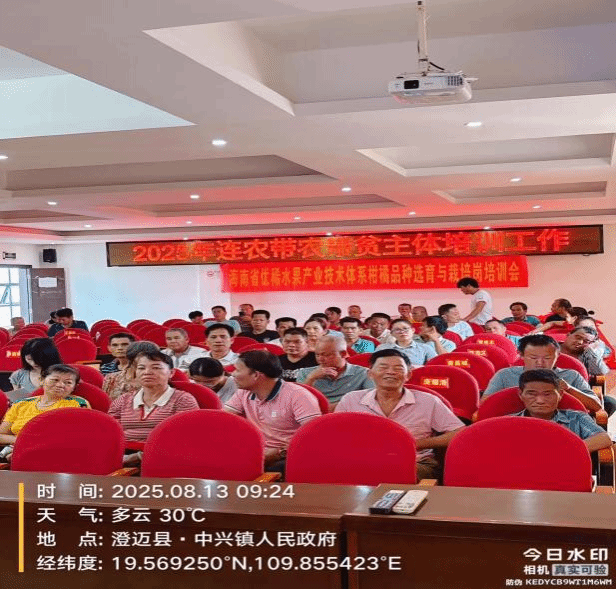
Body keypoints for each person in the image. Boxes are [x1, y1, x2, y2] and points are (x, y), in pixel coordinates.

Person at [335, 349, 464, 479]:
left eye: (398, 368)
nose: (390, 372)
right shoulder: (351, 400)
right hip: (362, 460)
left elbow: (459, 432)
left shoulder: (428, 401)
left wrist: (417, 443)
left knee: (388, 472)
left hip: (415, 462)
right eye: (383, 367)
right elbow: (334, 433)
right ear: (370, 374)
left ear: (408, 375)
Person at [225, 350, 321, 472]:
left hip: (288, 455)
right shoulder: (243, 392)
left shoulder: (299, 396)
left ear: (256, 375)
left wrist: (281, 452)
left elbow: (313, 437)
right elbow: (223, 420)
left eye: (238, 370)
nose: (233, 374)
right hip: (255, 452)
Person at [482, 335, 602, 412]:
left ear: (557, 356)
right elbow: (485, 406)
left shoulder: (571, 375)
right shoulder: (505, 375)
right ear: (522, 356)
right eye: (533, 358)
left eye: (547, 358)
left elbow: (597, 407)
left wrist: (569, 389)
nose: (540, 363)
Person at [108, 351, 198, 453]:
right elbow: (111, 433)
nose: (147, 372)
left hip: (164, 454)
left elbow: (182, 438)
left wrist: (138, 457)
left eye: (156, 368)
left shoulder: (183, 400)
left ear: (171, 373)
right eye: (141, 368)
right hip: (122, 453)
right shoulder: (123, 400)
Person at [0, 364, 89, 459]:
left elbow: (79, 437)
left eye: (68, 383)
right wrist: (22, 441)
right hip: (16, 450)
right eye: (55, 380)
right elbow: (1, 435)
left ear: (74, 387)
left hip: (56, 454)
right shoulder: (21, 404)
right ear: (42, 380)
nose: (60, 385)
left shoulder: (78, 404)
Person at [513, 369, 612, 452]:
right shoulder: (510, 422)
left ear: (560, 394)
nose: (540, 401)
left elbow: (604, 438)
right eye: (532, 394)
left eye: (547, 394)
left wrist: (563, 451)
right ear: (520, 395)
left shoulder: (576, 418)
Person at [296, 335, 374, 405]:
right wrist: (311, 379)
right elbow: (298, 401)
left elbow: (370, 400)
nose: (320, 359)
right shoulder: (305, 373)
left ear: (343, 354)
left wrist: (332, 408)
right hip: (313, 412)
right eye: (317, 355)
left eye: (326, 355)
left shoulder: (363, 373)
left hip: (348, 412)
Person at [8, 338, 62, 403]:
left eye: (38, 360)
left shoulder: (63, 374)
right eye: (29, 359)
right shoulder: (18, 375)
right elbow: (16, 400)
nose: (34, 363)